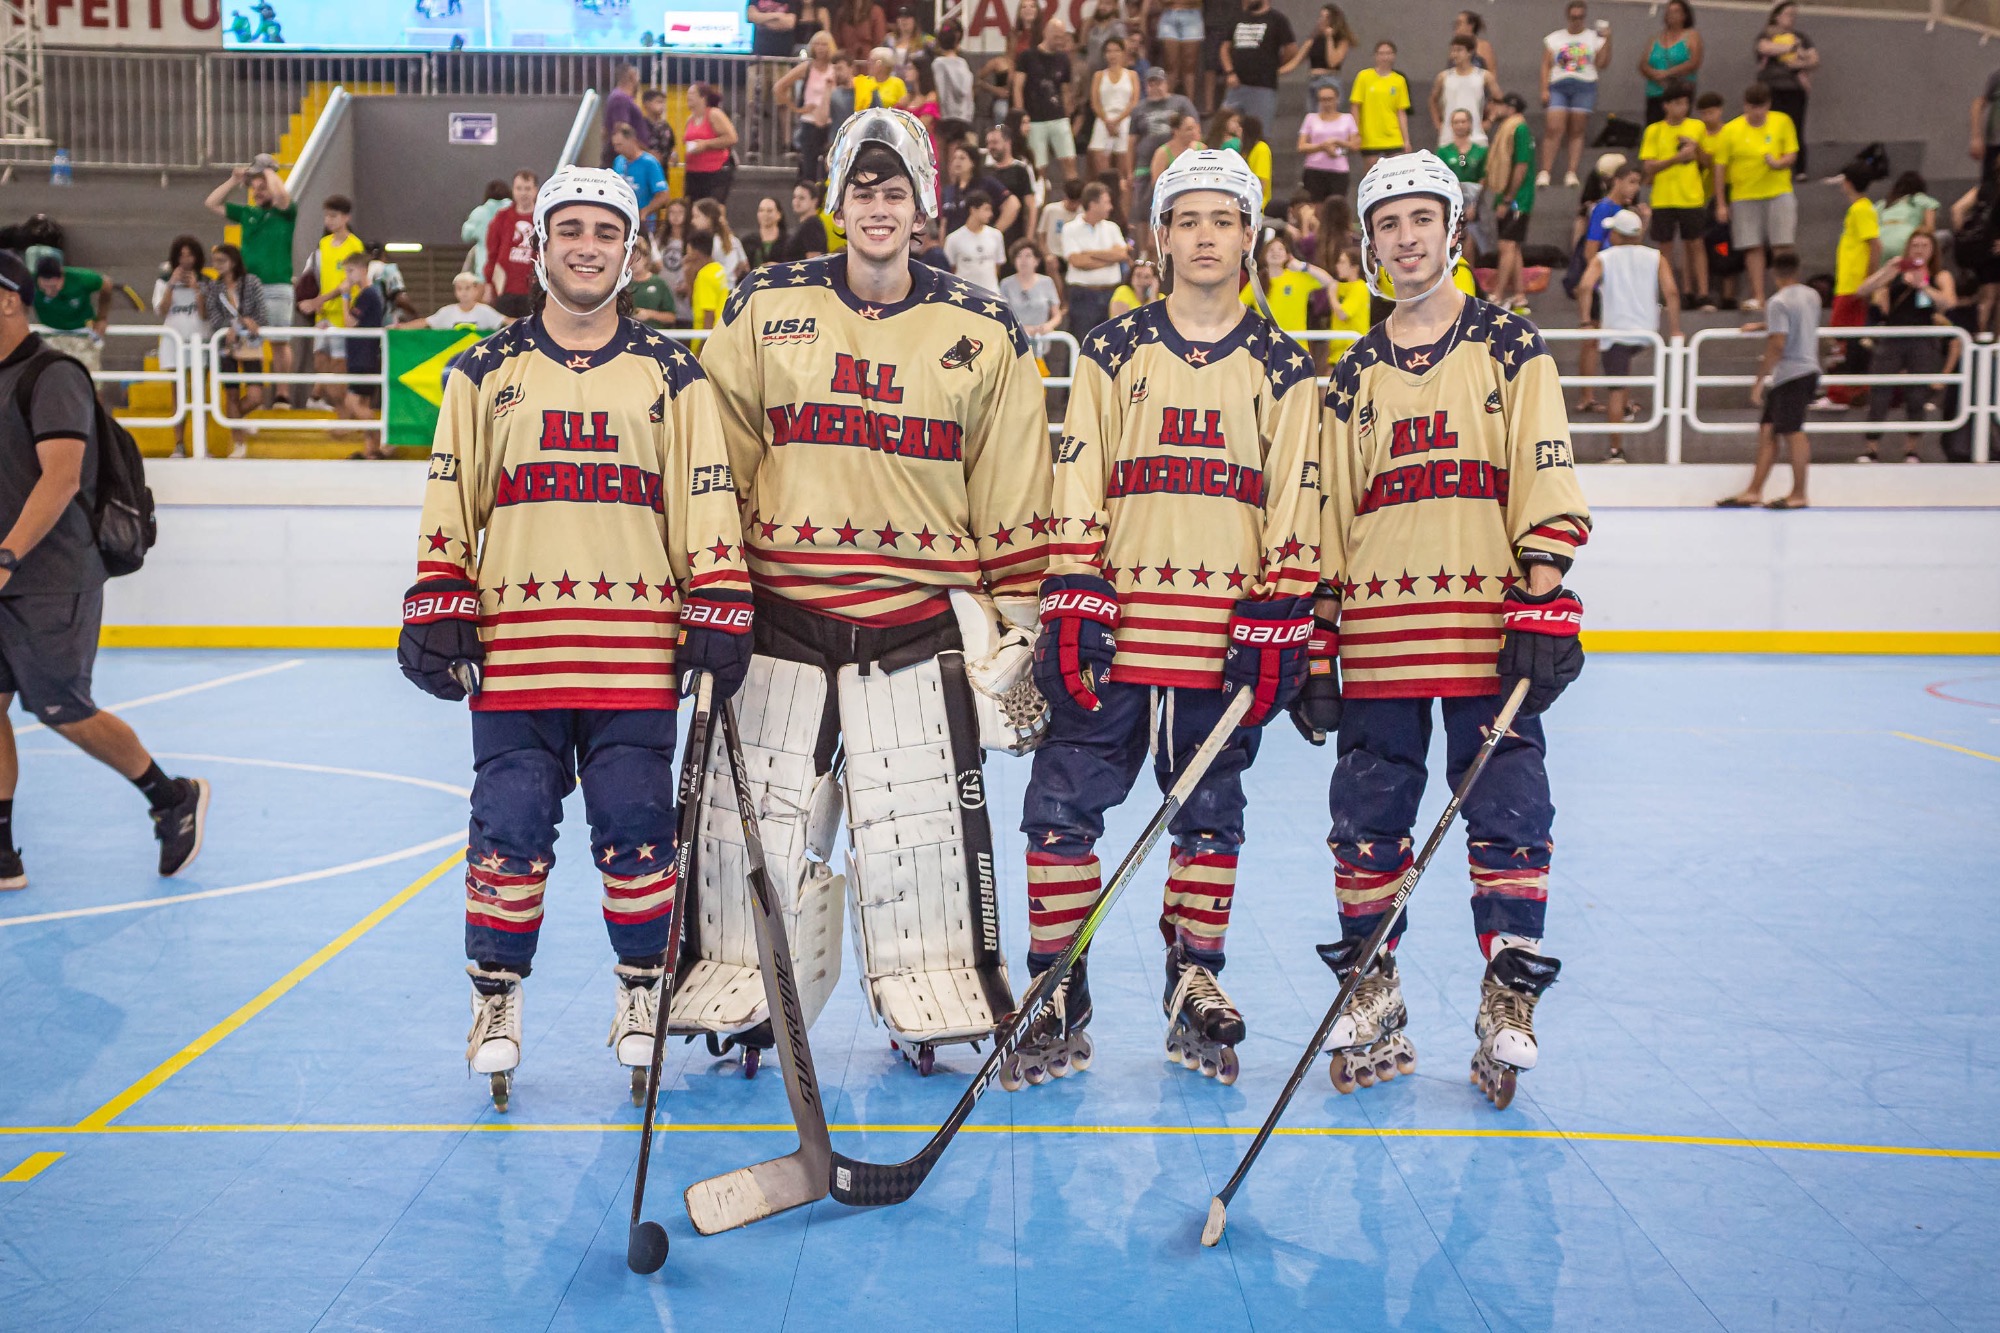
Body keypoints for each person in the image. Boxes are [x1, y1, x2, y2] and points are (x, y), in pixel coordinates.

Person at [693, 107, 1052, 1075]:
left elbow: (1012, 483)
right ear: (836, 203)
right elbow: (709, 462)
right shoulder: (763, 305)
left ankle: (927, 1001)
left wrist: (1017, 623)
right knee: (754, 834)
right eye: (862, 191)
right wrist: (709, 590)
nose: (878, 208)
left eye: (895, 192)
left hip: (917, 626)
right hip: (778, 620)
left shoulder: (983, 328)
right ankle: (748, 998)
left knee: (920, 843)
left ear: (924, 205)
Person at [401, 166, 752, 1109]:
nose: (587, 246)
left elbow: (706, 499)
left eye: (606, 232)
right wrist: (437, 594)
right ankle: (495, 1001)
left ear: (630, 253)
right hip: (515, 654)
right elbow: (450, 499)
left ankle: (640, 992)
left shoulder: (675, 375)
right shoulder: (481, 371)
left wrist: (719, 598)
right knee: (508, 831)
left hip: (633, 653)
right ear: (539, 246)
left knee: (638, 832)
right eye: (570, 232)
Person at [1002, 146, 1318, 1091]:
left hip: (1219, 646)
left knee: (1210, 818)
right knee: (1061, 813)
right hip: (1119, 637)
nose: (1206, 235)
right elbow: (1080, 476)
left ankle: (1194, 977)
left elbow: (1296, 504)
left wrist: (1279, 615)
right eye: (1188, 219)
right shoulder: (1110, 350)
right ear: (1161, 237)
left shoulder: (1285, 367)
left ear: (1250, 235)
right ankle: (1057, 987)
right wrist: (1074, 589)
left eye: (1224, 219)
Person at [1310, 150, 1590, 1108]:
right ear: (1369, 245)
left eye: (1422, 219)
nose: (1407, 238)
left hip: (1484, 638)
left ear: (1453, 230)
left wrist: (1543, 600)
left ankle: (1508, 999)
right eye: (1389, 225)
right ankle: (1373, 985)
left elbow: (1543, 474)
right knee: (1369, 820)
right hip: (1382, 637)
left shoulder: (1512, 347)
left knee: (1510, 815)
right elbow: (1332, 515)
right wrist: (1320, 638)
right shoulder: (1351, 376)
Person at [0, 249, 210, 890]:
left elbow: (61, 479)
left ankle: (169, 794)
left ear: (8, 297)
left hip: (49, 575)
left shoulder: (52, 373)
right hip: (6, 573)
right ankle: (2, 850)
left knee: (64, 709)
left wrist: (7, 556)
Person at [1575, 208, 1680, 461]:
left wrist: (1587, 321)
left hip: (1616, 333)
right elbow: (1672, 293)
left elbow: (1584, 286)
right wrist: (1675, 329)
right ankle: (1626, 408)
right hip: (1647, 332)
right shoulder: (1656, 257)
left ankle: (1615, 450)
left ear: (1618, 234)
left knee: (1615, 390)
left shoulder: (1605, 257)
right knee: (1621, 385)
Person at [1718, 248, 1818, 507]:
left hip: (1791, 373)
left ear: (1773, 273)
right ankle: (1754, 490)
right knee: (1768, 430)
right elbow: (1795, 324)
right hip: (1807, 370)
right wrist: (1764, 324)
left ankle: (1799, 493)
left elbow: (1778, 343)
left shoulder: (1778, 302)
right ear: (1798, 270)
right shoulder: (1812, 296)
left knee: (1793, 431)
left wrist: (1760, 379)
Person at [1854, 230, 1955, 463]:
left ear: (1933, 250)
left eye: (1925, 246)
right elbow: (1862, 291)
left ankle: (1912, 449)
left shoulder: (1940, 274)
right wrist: (1887, 270)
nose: (1919, 249)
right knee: (1880, 394)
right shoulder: (1897, 271)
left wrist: (1923, 286)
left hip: (1922, 340)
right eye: (1915, 245)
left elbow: (1949, 303)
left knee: (1917, 396)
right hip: (1892, 337)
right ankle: (1871, 448)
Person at [205, 156, 298, 404]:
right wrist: (234, 181)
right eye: (254, 188)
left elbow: (281, 197)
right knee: (248, 338)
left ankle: (282, 394)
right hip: (247, 286)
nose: (257, 192)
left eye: (262, 187)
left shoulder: (285, 213)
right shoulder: (247, 213)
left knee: (279, 341)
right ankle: (252, 392)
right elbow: (212, 202)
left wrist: (267, 171)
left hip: (277, 285)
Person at [1711, 82, 1798, 311]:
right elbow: (1720, 168)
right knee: (1752, 246)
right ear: (1745, 105)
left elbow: (1791, 153)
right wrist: (1721, 202)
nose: (1757, 113)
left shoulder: (1782, 121)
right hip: (1744, 195)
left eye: (1761, 107)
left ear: (1768, 105)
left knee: (1782, 243)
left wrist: (1779, 163)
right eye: (1752, 107)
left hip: (1779, 192)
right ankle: (1758, 297)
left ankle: (1785, 294)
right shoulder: (1730, 130)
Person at [1571, 161, 1642, 414]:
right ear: (1617, 181)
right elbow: (1591, 251)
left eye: (1638, 183)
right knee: (1592, 340)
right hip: (1602, 286)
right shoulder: (1602, 210)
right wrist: (1603, 279)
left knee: (1620, 342)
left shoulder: (1627, 211)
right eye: (1631, 181)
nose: (1635, 188)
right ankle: (1587, 397)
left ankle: (1621, 399)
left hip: (1619, 287)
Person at [1640, 80, 1710, 306]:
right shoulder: (1654, 130)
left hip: (1691, 195)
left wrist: (1695, 147)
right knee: (1665, 248)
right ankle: (1667, 294)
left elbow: (1708, 161)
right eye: (1678, 103)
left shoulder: (1697, 127)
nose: (1683, 108)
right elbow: (1648, 167)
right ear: (1666, 106)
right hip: (1663, 197)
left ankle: (1702, 293)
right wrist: (1676, 159)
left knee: (1696, 244)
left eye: (1686, 103)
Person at [1538, 2, 1612, 189]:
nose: (1576, 21)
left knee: (1577, 130)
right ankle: (1545, 171)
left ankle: (1571, 172)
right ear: (1567, 17)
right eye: (1573, 17)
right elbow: (1546, 65)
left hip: (1584, 85)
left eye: (1580, 17)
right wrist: (1544, 89)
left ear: (1584, 18)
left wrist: (1607, 40)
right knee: (1554, 127)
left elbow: (1602, 64)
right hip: (1559, 85)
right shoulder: (1555, 38)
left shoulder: (1593, 37)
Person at [1828, 163, 1882, 408]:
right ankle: (1855, 390)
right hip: (1849, 286)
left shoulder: (1862, 209)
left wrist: (1869, 281)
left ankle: (1839, 394)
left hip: (1853, 287)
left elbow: (1875, 244)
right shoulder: (1859, 209)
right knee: (1851, 340)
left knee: (1841, 339)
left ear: (1848, 182)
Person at [205, 242, 268, 440]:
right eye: (215, 261)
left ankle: (237, 420)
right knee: (231, 394)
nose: (217, 265)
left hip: (250, 343)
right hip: (226, 346)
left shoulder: (252, 282)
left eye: (221, 261)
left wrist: (249, 322)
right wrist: (232, 326)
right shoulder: (213, 287)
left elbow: (262, 315)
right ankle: (238, 442)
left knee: (255, 396)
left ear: (233, 261)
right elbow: (214, 318)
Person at [151, 236, 208, 450]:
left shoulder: (206, 281)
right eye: (181, 255)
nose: (186, 260)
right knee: (178, 393)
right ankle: (179, 443)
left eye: (190, 255)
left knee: (200, 393)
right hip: (173, 340)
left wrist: (196, 289)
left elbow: (205, 314)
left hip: (198, 339)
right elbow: (162, 310)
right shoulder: (163, 281)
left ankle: (202, 443)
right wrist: (171, 285)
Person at [1486, 92, 1537, 312]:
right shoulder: (1513, 127)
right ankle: (1519, 295)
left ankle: (1497, 294)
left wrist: (1508, 199)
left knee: (1506, 245)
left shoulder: (1519, 129)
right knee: (1513, 246)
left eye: (1500, 105)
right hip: (1510, 196)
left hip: (1517, 199)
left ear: (1510, 107)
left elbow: (1521, 165)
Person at [1754, 1, 1816, 176]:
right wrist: (1790, 48)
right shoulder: (1766, 35)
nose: (1792, 19)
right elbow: (1766, 48)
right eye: (1788, 14)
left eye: (1794, 15)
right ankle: (1771, 161)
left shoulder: (1801, 37)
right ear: (1777, 16)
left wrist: (1799, 61)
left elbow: (1814, 60)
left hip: (1794, 89)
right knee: (1771, 126)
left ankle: (1799, 168)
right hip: (1771, 88)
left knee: (1795, 126)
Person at [1061, 180, 1130, 337]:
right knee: (1082, 341)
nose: (1111, 207)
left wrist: (1089, 252)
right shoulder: (1070, 229)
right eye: (1106, 202)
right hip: (1083, 296)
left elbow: (1122, 255)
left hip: (1111, 293)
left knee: (1114, 343)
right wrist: (1109, 257)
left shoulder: (1112, 228)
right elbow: (1077, 262)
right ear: (1093, 204)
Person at [1220, 0, 1300, 130]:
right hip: (1236, 85)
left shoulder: (1277, 20)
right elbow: (1224, 48)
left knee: (1258, 131)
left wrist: (1275, 66)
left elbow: (1291, 49)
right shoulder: (1237, 18)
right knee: (1224, 129)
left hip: (1263, 87)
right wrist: (1230, 72)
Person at [1016, 19, 1078, 185]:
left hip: (1058, 116)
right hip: (1035, 118)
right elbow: (1018, 87)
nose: (1059, 41)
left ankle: (1073, 200)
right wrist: (1021, 116)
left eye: (1062, 37)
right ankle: (1039, 205)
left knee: (1070, 162)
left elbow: (1065, 89)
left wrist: (1068, 115)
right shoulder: (1027, 57)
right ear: (1046, 33)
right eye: (1056, 37)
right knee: (1039, 168)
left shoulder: (1063, 59)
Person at [1246, 229, 1334, 344]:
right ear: (1264, 255)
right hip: (1269, 345)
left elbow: (1328, 281)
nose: (1275, 252)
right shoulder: (1256, 282)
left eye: (1280, 249)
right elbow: (1238, 307)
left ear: (1287, 255)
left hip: (1297, 346)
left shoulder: (1298, 277)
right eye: (1271, 249)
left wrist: (1303, 266)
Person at [776, 32, 840, 182]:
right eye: (817, 44)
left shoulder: (835, 69)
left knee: (829, 164)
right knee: (808, 164)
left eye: (824, 44)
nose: (820, 48)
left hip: (830, 122)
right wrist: (796, 109)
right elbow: (779, 87)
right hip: (809, 121)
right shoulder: (807, 67)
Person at [29, 257, 108, 373]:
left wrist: (102, 318)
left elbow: (107, 284)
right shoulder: (28, 281)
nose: (49, 292)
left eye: (53, 287)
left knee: (91, 378)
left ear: (62, 278)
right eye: (44, 288)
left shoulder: (81, 278)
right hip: (49, 336)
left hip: (82, 335)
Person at [483, 171, 539, 318]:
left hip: (534, 289)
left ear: (535, 190)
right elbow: (492, 253)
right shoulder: (502, 217)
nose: (523, 193)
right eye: (519, 188)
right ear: (513, 190)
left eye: (527, 188)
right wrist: (489, 284)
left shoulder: (543, 217)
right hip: (505, 289)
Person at [1349, 42, 1412, 172]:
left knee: (1396, 173)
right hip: (1370, 137)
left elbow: (1401, 112)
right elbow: (1355, 106)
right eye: (1381, 53)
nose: (1385, 57)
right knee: (1372, 175)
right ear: (1375, 56)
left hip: (1393, 136)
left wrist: (1406, 139)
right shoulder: (1364, 77)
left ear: (1394, 56)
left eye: (1388, 53)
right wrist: (1355, 132)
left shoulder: (1399, 80)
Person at [1087, 36, 1139, 191]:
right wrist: (1107, 121)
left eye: (1116, 50)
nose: (1113, 54)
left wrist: (1117, 121)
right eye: (1109, 51)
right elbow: (1095, 102)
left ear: (1123, 53)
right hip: (1103, 121)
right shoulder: (1098, 76)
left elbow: (1134, 101)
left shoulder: (1131, 75)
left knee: (1123, 171)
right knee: (1101, 171)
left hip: (1124, 121)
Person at [1639, 0, 1702, 125]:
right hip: (1655, 92)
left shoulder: (1691, 36)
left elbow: (1694, 62)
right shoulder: (1656, 38)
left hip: (1679, 92)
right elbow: (1643, 64)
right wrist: (1653, 73)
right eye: (1668, 11)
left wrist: (1667, 73)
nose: (1671, 14)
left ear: (1685, 15)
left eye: (1676, 11)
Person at [1430, 36, 1498, 148]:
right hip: (1449, 137)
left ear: (1470, 52)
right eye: (1452, 51)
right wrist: (1438, 123)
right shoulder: (1444, 77)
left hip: (1476, 135)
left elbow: (1498, 100)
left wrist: (1490, 120)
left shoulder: (1484, 76)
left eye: (1459, 50)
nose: (1454, 54)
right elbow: (1433, 100)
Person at [1439, 108, 1488, 259]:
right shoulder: (1443, 151)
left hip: (1473, 201)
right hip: (1450, 200)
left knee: (1470, 238)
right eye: (1456, 122)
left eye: (1463, 121)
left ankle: (1469, 275)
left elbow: (1484, 177)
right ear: (1451, 126)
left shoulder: (1480, 151)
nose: (1460, 125)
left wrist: (1473, 203)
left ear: (1470, 124)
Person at [943, 141, 1020, 237]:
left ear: (973, 162)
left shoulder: (986, 183)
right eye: (955, 158)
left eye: (962, 158)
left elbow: (1013, 204)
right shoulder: (949, 190)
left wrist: (995, 232)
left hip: (979, 243)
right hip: (955, 245)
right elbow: (944, 222)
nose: (957, 162)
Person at [1298, 81, 1359, 202]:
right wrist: (1322, 146)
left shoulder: (1347, 118)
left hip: (1339, 169)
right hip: (1314, 168)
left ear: (1337, 99)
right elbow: (1301, 146)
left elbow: (1355, 145)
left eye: (1329, 99)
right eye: (1322, 99)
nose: (1326, 103)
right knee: (1315, 206)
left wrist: (1337, 142)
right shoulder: (1310, 118)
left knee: (1336, 206)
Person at [1001, 238, 1065, 349]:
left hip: (1041, 341)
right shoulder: (1006, 284)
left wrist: (1048, 326)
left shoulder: (1047, 282)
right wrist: (1020, 329)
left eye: (1028, 256)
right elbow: (1002, 316)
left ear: (1037, 261)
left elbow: (1057, 314)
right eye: (1019, 256)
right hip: (1015, 343)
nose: (1023, 260)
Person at [683, 83, 739, 203]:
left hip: (714, 171)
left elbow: (732, 138)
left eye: (692, 93)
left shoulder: (714, 114)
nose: (688, 96)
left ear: (703, 97)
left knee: (712, 209)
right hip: (693, 171)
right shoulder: (690, 119)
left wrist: (706, 144)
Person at [984, 124, 1039, 245]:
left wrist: (1029, 238)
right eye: (988, 143)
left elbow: (1031, 206)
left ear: (1008, 142)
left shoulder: (1021, 169)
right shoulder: (985, 171)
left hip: (1014, 236)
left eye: (995, 142)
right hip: (988, 236)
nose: (990, 147)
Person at [945, 189, 1008, 293]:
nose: (990, 214)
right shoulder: (953, 238)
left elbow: (998, 265)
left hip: (991, 293)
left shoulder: (996, 235)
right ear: (973, 210)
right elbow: (950, 268)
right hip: (965, 295)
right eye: (986, 209)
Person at [399, 271, 506, 332]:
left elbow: (506, 321)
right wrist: (400, 327)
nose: (463, 292)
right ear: (455, 292)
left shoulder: (485, 311)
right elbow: (425, 322)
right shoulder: (446, 312)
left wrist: (523, 322)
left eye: (467, 288)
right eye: (459, 289)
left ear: (476, 290)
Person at [607, 122, 669, 223]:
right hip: (622, 217)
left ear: (631, 140)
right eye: (615, 146)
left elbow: (663, 195)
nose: (617, 149)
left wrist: (645, 212)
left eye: (620, 145)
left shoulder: (649, 163)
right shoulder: (619, 161)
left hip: (643, 220)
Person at [1877, 172, 1940, 262]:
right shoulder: (1921, 199)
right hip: (1905, 241)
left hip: (1880, 242)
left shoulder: (1883, 204)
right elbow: (1930, 228)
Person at [460, 180, 510, 289]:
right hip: (511, 274)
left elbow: (466, 236)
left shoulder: (479, 213)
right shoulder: (515, 212)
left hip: (484, 273)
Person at [1305, 5, 1356, 110]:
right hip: (1313, 80)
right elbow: (1296, 60)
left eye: (1326, 17)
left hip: (1329, 80)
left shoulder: (1341, 40)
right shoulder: (1314, 39)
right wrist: (1276, 71)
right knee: (1313, 118)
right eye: (1321, 17)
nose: (1322, 20)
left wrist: (1329, 38)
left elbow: (1332, 62)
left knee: (1327, 118)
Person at [600, 64, 651, 167]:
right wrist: (644, 152)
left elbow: (605, 131)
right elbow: (622, 128)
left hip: (623, 157)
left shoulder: (618, 97)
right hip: (625, 159)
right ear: (632, 76)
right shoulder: (620, 98)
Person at [1155, 0, 1203, 104]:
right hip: (1169, 16)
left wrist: (1175, 2)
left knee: (1189, 68)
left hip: (1192, 17)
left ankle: (1190, 107)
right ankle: (1166, 106)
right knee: (1171, 66)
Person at [933, 22, 975, 136]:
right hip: (964, 117)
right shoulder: (963, 63)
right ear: (957, 41)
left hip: (946, 118)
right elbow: (968, 92)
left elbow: (940, 91)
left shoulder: (938, 64)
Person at [629, 252, 680, 328]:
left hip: (653, 334)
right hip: (627, 333)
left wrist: (650, 314)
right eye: (630, 260)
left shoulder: (658, 283)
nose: (633, 264)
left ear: (645, 259)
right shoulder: (621, 284)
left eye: (636, 259)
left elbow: (671, 317)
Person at [1453, 9, 1499, 81]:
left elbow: (1492, 73)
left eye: (1459, 24)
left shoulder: (1483, 47)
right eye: (1456, 24)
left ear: (1470, 26)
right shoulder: (1454, 48)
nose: (1456, 28)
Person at [745, 196, 789, 270]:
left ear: (779, 214)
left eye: (769, 211)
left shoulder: (789, 241)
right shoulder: (748, 241)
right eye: (761, 210)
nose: (765, 214)